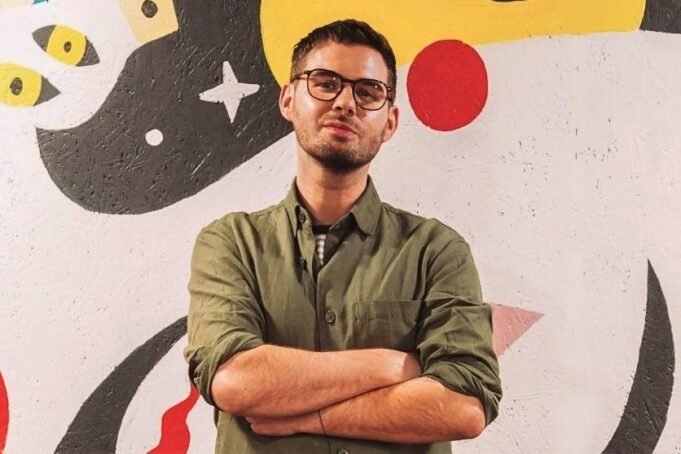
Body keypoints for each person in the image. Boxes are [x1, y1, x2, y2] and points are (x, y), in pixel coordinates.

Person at [185, 19, 502, 454]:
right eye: (325, 83)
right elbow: (235, 381)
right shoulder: (231, 243)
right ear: (288, 99)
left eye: (368, 92)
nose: (345, 103)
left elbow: (464, 406)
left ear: (390, 122)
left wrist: (304, 416)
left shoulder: (436, 251)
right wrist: (392, 365)